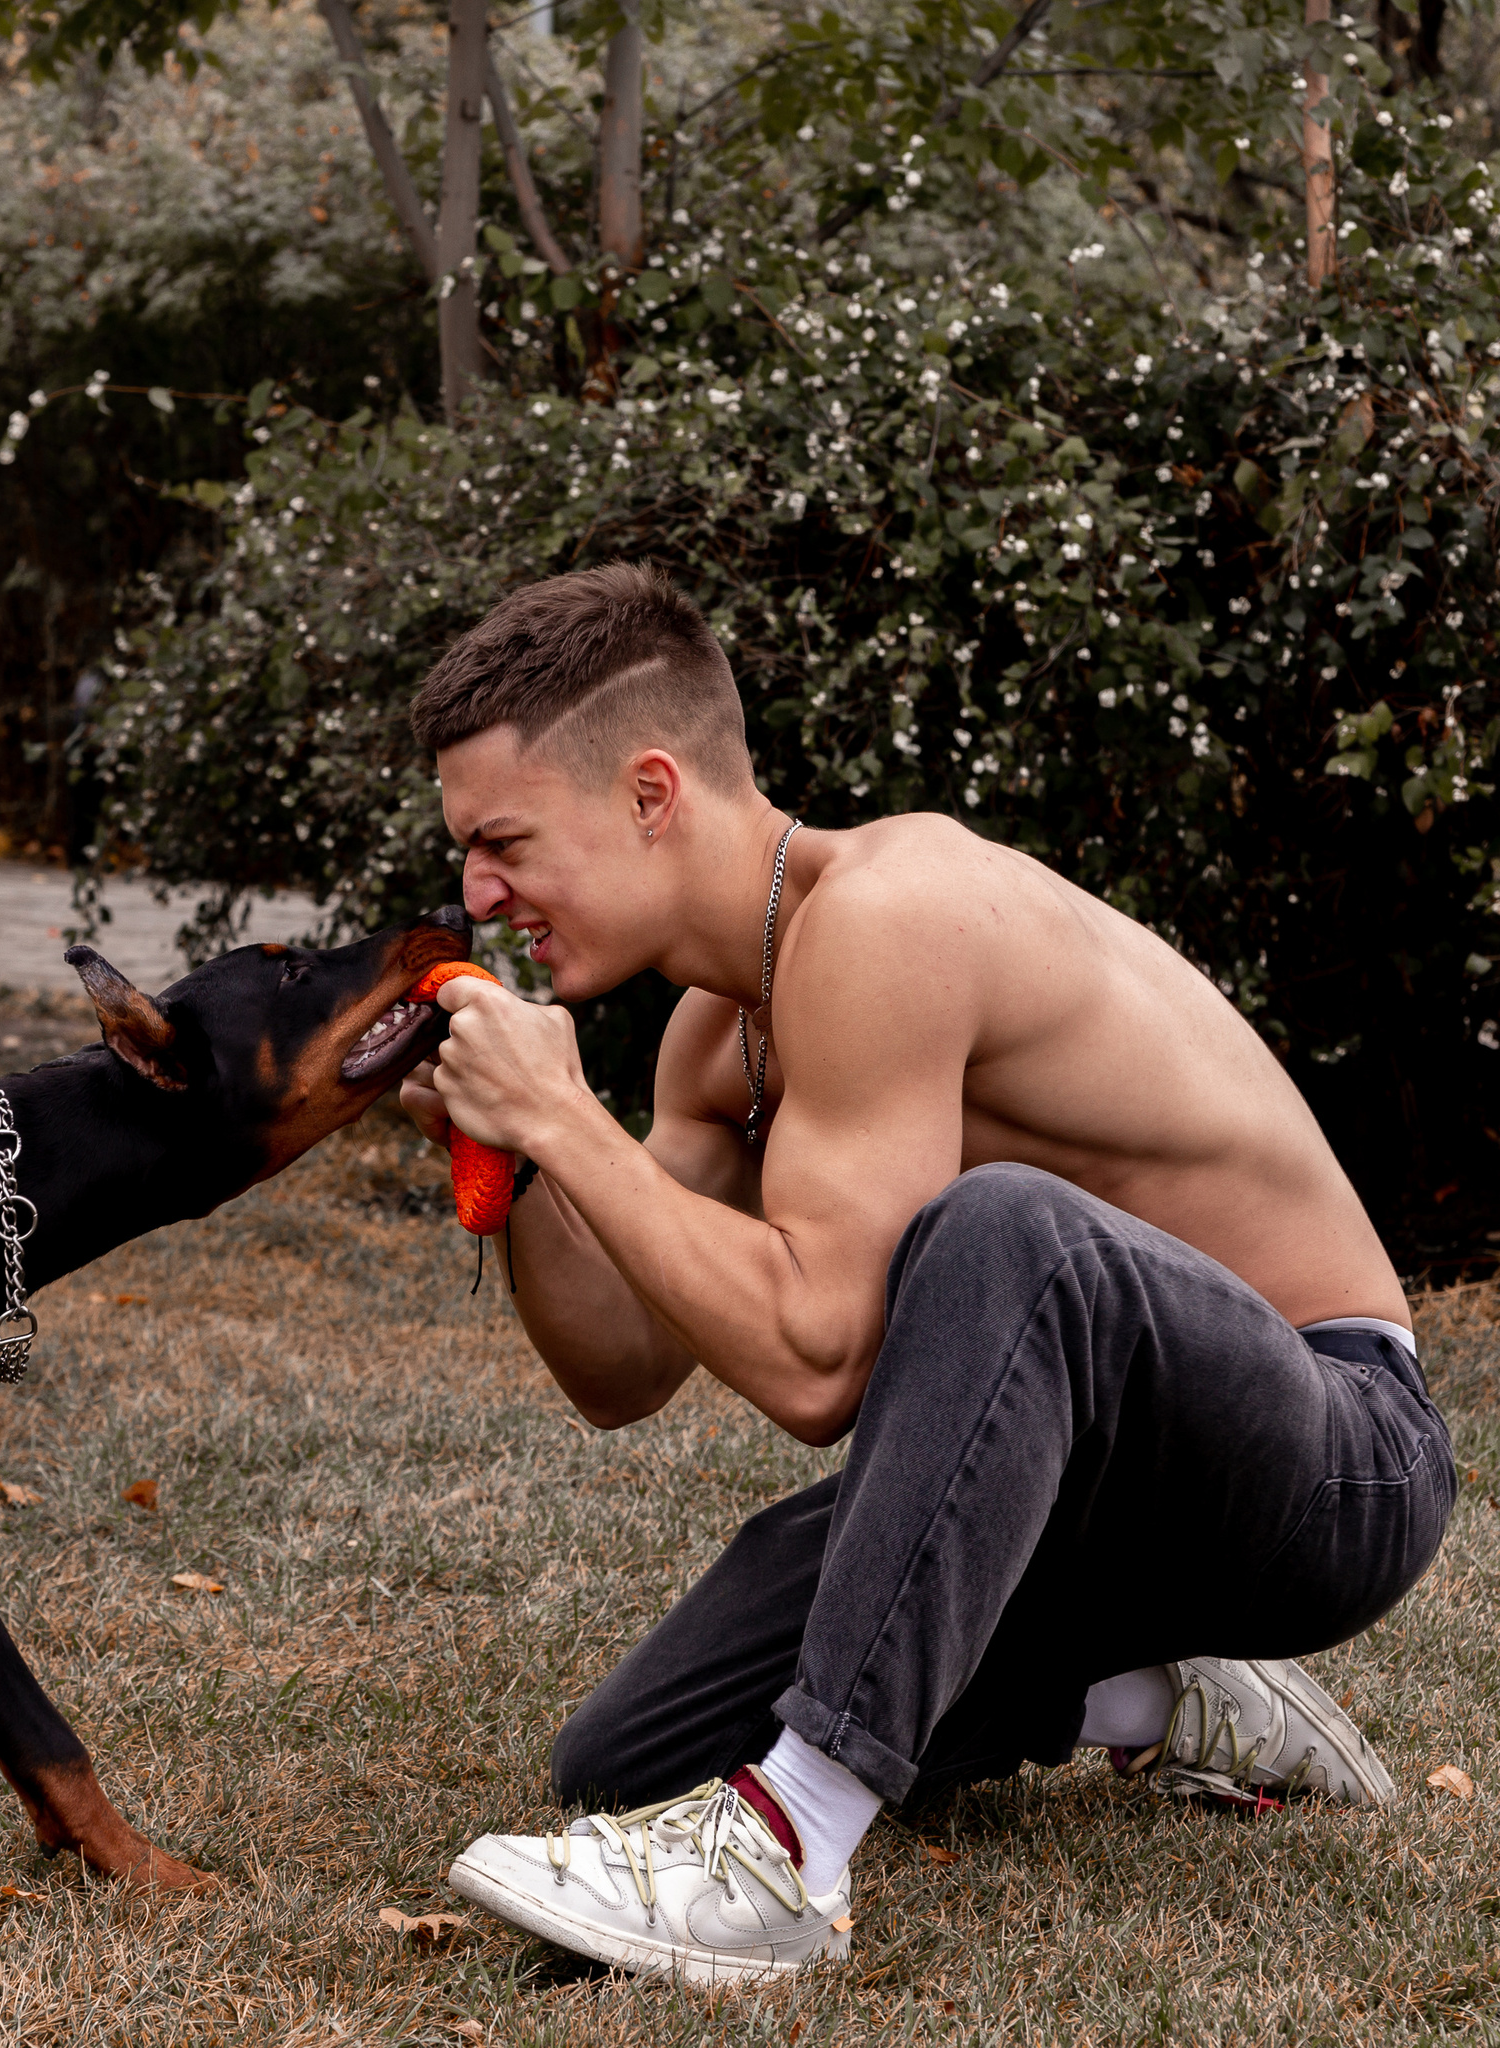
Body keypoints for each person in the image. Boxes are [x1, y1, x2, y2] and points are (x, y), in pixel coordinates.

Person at [400, 563, 1452, 1988]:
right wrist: (527, 1164)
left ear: (651, 793)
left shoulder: (892, 912)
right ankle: (1160, 1693)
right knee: (630, 1754)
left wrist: (567, 1119)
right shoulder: (716, 1036)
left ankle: (787, 1846)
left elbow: (819, 1362)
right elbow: (623, 1370)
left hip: (1338, 1458)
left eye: (503, 840)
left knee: (1005, 1228)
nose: (476, 891)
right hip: (1087, 1497)